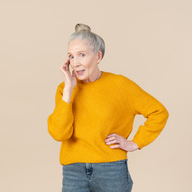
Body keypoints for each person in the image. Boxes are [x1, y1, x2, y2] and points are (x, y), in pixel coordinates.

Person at [47, 23, 169, 192]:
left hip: (111, 170)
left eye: (81, 55)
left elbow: (158, 112)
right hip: (73, 172)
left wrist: (135, 143)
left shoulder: (120, 85)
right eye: (71, 56)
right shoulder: (65, 89)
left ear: (98, 56)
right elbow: (59, 133)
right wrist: (68, 90)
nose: (75, 63)